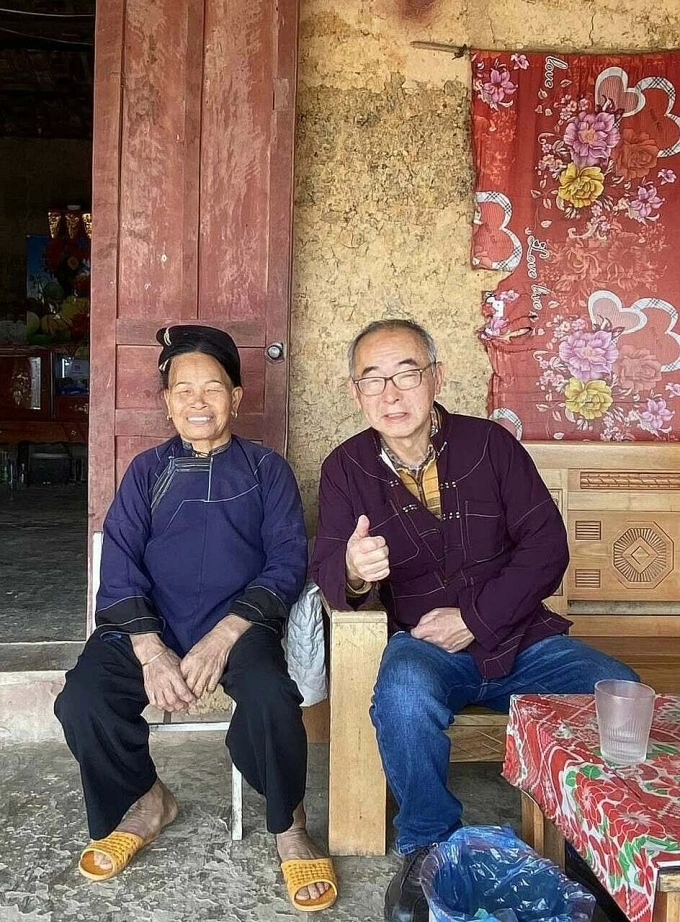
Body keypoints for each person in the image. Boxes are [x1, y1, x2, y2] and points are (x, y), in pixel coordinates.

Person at [311, 318, 637, 922]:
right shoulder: (346, 469)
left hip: (522, 636)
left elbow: (547, 547)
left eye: (406, 374)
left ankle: (596, 846)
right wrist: (354, 569)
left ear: (435, 377)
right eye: (372, 379)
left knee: (619, 692)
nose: (391, 393)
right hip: (427, 646)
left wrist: (476, 617)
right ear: (355, 392)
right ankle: (429, 848)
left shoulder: (490, 445)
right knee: (402, 697)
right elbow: (329, 561)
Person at [55, 324, 337, 912]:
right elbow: (120, 560)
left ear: (236, 397)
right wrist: (152, 651)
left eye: (213, 388)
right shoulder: (146, 471)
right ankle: (147, 798)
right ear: (166, 403)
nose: (198, 401)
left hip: (238, 624)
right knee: (82, 699)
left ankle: (289, 823)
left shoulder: (266, 469)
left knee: (269, 696)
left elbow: (287, 561)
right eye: (183, 390)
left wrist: (225, 635)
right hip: (149, 624)